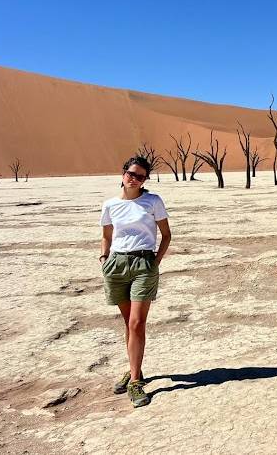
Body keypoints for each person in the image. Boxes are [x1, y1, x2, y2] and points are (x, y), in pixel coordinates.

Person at [99, 156, 171, 408]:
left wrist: (155, 262)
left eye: (140, 176)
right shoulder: (109, 205)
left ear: (145, 181)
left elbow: (166, 235)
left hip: (144, 264)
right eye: (131, 173)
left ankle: (135, 381)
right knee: (128, 324)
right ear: (123, 173)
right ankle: (133, 370)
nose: (134, 179)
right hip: (116, 266)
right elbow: (107, 236)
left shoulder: (152, 201)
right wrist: (104, 259)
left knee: (137, 322)